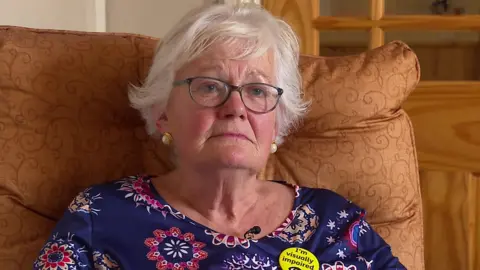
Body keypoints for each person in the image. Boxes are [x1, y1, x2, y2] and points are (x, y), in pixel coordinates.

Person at [34, 3, 406, 270]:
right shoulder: (100, 215)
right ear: (163, 112)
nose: (236, 107)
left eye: (258, 91)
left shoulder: (332, 221)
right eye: (210, 86)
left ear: (276, 124)